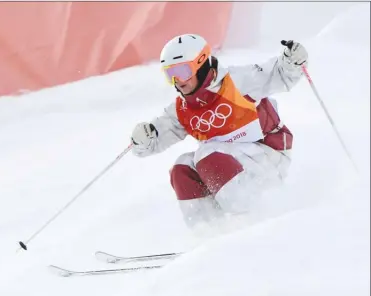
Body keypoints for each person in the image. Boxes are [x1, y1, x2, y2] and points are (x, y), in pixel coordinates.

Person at [130, 34, 308, 229]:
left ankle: (250, 220)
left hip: (269, 155)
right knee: (182, 167)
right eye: (169, 74)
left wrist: (292, 60)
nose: (176, 81)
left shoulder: (237, 83)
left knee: (206, 154)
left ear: (201, 63)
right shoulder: (182, 109)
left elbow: (280, 75)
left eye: (181, 71)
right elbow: (154, 141)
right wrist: (144, 140)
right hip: (232, 164)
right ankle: (207, 230)